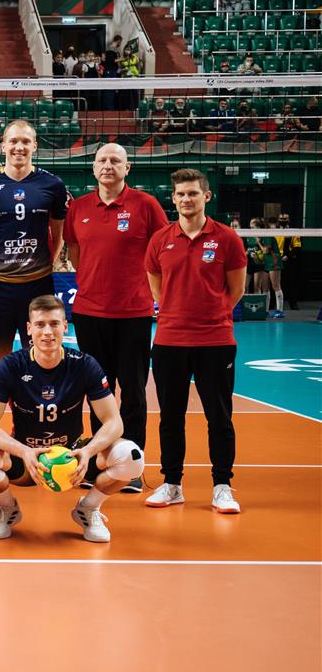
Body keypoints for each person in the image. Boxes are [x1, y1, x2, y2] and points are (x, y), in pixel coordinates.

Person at [0, 295, 145, 542]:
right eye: (40, 324)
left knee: (132, 457)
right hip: (26, 459)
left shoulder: (84, 364)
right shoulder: (11, 366)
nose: (47, 332)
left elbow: (114, 422)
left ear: (65, 326)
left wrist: (89, 451)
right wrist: (23, 451)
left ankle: (88, 508)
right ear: (29, 329)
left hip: (73, 457)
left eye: (54, 324)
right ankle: (8, 508)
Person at [63, 143, 168, 493]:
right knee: (98, 392)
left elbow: (162, 251)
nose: (108, 165)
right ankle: (100, 460)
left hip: (133, 312)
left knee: (134, 391)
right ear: (94, 167)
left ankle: (131, 465)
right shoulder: (79, 208)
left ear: (127, 167)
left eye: (115, 160)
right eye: (102, 160)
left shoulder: (146, 205)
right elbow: (76, 253)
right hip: (90, 312)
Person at [144, 169, 247, 514]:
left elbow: (236, 290)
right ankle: (172, 484)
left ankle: (222, 486)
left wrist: (210, 314)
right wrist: (178, 311)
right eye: (181, 194)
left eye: (192, 193)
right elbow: (157, 287)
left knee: (219, 417)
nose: (186, 199)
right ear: (173, 199)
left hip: (215, 341)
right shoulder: (160, 239)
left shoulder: (227, 238)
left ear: (207, 196)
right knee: (170, 417)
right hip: (170, 341)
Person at [0, 120, 69, 379]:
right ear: (3, 145)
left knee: (41, 357)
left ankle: (33, 406)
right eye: (13, 141)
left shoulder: (52, 185)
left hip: (37, 284)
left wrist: (46, 264)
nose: (19, 147)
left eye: (25, 141)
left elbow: (58, 234)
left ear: (34, 146)